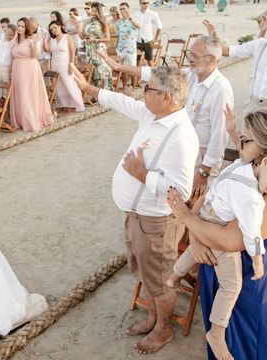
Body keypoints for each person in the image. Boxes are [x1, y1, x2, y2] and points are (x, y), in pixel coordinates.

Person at [74, 64, 198, 355]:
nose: (142, 93)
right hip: (135, 215)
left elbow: (181, 192)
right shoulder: (152, 113)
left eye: (148, 88)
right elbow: (124, 102)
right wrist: (91, 90)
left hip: (156, 221)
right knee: (145, 273)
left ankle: (164, 329)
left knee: (162, 279)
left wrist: (142, 174)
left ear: (166, 97)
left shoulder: (181, 135)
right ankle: (154, 318)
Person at [167, 108, 267, 360]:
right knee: (221, 338)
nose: (238, 143)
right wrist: (198, 238)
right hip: (220, 267)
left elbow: (230, 239)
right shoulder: (246, 169)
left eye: (245, 139)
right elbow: (208, 203)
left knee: (247, 346)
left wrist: (186, 218)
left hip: (253, 283)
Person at [100, 30, 234, 199]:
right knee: (173, 199)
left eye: (194, 55)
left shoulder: (221, 89)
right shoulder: (190, 75)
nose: (189, 59)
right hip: (180, 149)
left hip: (203, 158)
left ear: (211, 59)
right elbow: (154, 73)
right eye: (188, 54)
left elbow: (219, 135)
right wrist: (120, 67)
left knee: (195, 204)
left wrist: (204, 172)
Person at [9, 18, 54, 132]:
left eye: (22, 26)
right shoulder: (15, 40)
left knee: (27, 94)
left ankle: (30, 120)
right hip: (17, 69)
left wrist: (35, 43)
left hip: (29, 68)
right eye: (18, 25)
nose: (19, 28)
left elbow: (36, 55)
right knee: (19, 93)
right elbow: (12, 55)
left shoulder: (31, 39)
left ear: (27, 28)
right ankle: (20, 120)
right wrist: (10, 70)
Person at [48, 21, 84, 112]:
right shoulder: (52, 40)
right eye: (51, 29)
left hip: (65, 64)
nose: (53, 30)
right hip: (55, 64)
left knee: (69, 83)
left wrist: (71, 65)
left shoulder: (67, 37)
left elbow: (73, 52)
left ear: (60, 27)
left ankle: (75, 103)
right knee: (59, 86)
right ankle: (63, 104)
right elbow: (49, 52)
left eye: (55, 28)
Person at [78, 1, 113, 90]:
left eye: (94, 11)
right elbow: (82, 37)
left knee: (103, 74)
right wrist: (79, 27)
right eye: (91, 11)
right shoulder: (87, 23)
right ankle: (96, 95)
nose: (92, 13)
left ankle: (106, 95)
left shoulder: (103, 23)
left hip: (99, 52)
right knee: (93, 74)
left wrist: (95, 40)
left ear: (99, 11)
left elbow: (108, 39)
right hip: (90, 52)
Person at [116, 2, 139, 93]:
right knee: (123, 69)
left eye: (124, 8)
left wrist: (130, 17)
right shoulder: (119, 22)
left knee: (133, 69)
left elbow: (138, 26)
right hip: (121, 49)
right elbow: (119, 35)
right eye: (121, 9)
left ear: (128, 9)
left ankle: (133, 88)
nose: (122, 10)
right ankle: (125, 87)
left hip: (131, 49)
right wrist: (117, 47)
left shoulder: (134, 19)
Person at [133, 0, 162, 66]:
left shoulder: (152, 14)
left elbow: (159, 26)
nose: (146, 5)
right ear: (140, 4)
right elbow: (133, 27)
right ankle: (139, 76)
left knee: (150, 61)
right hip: (138, 41)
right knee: (137, 61)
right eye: (144, 3)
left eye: (147, 3)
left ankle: (154, 76)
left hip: (148, 41)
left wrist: (155, 38)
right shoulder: (136, 14)